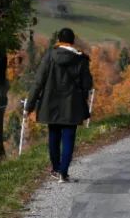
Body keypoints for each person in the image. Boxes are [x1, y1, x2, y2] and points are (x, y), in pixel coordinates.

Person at [27, 27, 93, 182]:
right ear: (72, 42)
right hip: (72, 105)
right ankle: (64, 172)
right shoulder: (81, 59)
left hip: (51, 104)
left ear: (59, 40)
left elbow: (38, 82)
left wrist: (29, 105)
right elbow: (87, 84)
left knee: (53, 136)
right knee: (69, 138)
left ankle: (56, 169)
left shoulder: (50, 56)